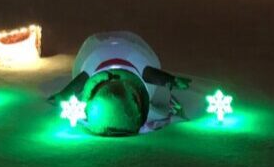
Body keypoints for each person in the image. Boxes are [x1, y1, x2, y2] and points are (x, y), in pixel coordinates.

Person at [49, 31, 206, 136]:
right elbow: (148, 73)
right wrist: (170, 80)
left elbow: (81, 80)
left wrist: (62, 95)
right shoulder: (127, 60)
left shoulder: (96, 62)